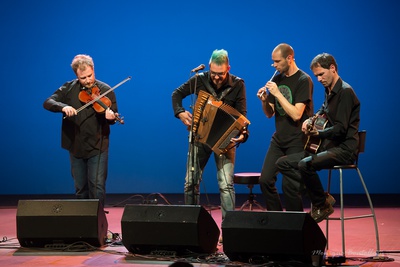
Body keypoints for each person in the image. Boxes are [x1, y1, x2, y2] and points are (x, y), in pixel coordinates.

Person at [276, 53, 360, 223]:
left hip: (344, 149)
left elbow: (341, 129)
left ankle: (321, 204)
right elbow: (323, 111)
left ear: (333, 68)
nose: (319, 79)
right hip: (328, 146)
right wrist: (310, 119)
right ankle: (321, 197)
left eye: (321, 74)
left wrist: (318, 134)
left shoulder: (345, 92)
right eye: (316, 76)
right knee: (282, 163)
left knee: (304, 164)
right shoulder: (328, 90)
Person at [171, 49, 248, 219]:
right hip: (199, 137)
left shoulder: (238, 84)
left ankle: (229, 228)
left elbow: (242, 115)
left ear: (228, 68)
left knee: (226, 185)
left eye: (220, 74)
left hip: (225, 141)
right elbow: (176, 94)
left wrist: (243, 134)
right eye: (213, 73)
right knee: (190, 182)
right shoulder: (200, 79)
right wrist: (180, 113)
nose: (216, 77)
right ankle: (192, 224)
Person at [43, 54, 120, 207]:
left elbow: (113, 117)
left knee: (97, 188)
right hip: (75, 145)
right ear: (77, 76)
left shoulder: (106, 90)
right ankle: (85, 226)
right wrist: (63, 107)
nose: (88, 81)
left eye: (90, 76)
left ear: (93, 70)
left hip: (98, 146)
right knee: (80, 189)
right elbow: (48, 102)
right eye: (83, 78)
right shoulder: (69, 88)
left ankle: (98, 226)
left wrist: (110, 117)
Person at [256, 43, 313, 211]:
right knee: (265, 180)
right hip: (279, 139)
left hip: (297, 140)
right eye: (273, 61)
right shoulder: (278, 78)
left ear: (289, 59)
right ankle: (277, 219)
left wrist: (278, 94)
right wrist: (265, 100)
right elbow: (269, 113)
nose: (274, 65)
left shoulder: (304, 80)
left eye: (277, 61)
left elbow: (296, 114)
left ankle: (295, 226)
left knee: (290, 188)